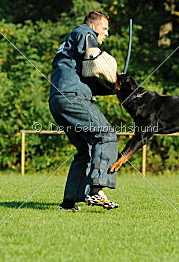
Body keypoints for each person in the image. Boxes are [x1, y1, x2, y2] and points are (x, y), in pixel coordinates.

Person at [48, 11, 119, 211]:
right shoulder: (84, 32)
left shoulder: (70, 51)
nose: (107, 33)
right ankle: (96, 191)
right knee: (106, 135)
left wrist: (115, 87)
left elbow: (89, 80)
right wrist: (106, 63)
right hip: (71, 98)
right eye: (104, 29)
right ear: (94, 27)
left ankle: (69, 202)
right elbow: (91, 51)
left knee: (86, 150)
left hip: (58, 99)